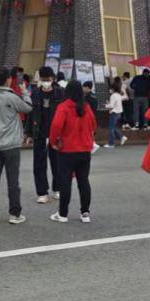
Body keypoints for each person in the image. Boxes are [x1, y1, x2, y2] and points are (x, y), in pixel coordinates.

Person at [0, 67, 33, 225]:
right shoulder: (12, 97)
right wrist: (25, 92)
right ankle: (14, 213)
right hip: (11, 144)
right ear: (9, 79)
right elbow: (28, 108)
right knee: (13, 181)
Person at [48, 81, 98, 223]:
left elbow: (56, 125)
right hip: (84, 150)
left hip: (67, 149)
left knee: (65, 181)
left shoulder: (63, 107)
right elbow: (94, 125)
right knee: (83, 181)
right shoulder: (86, 107)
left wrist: (53, 142)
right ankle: (85, 213)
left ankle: (63, 214)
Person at [27, 67, 63, 203]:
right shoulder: (35, 93)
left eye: (48, 80)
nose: (46, 82)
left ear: (52, 79)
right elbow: (31, 114)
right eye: (43, 80)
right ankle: (42, 192)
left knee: (57, 162)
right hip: (39, 132)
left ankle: (57, 189)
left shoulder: (60, 93)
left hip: (56, 133)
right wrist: (29, 133)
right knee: (39, 163)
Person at [105, 80, 127, 147]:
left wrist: (106, 105)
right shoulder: (118, 95)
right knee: (113, 127)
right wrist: (123, 89)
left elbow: (111, 106)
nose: (109, 90)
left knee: (111, 128)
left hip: (114, 113)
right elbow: (126, 97)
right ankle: (122, 137)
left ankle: (111, 143)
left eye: (110, 89)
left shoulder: (113, 96)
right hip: (119, 113)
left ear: (113, 89)